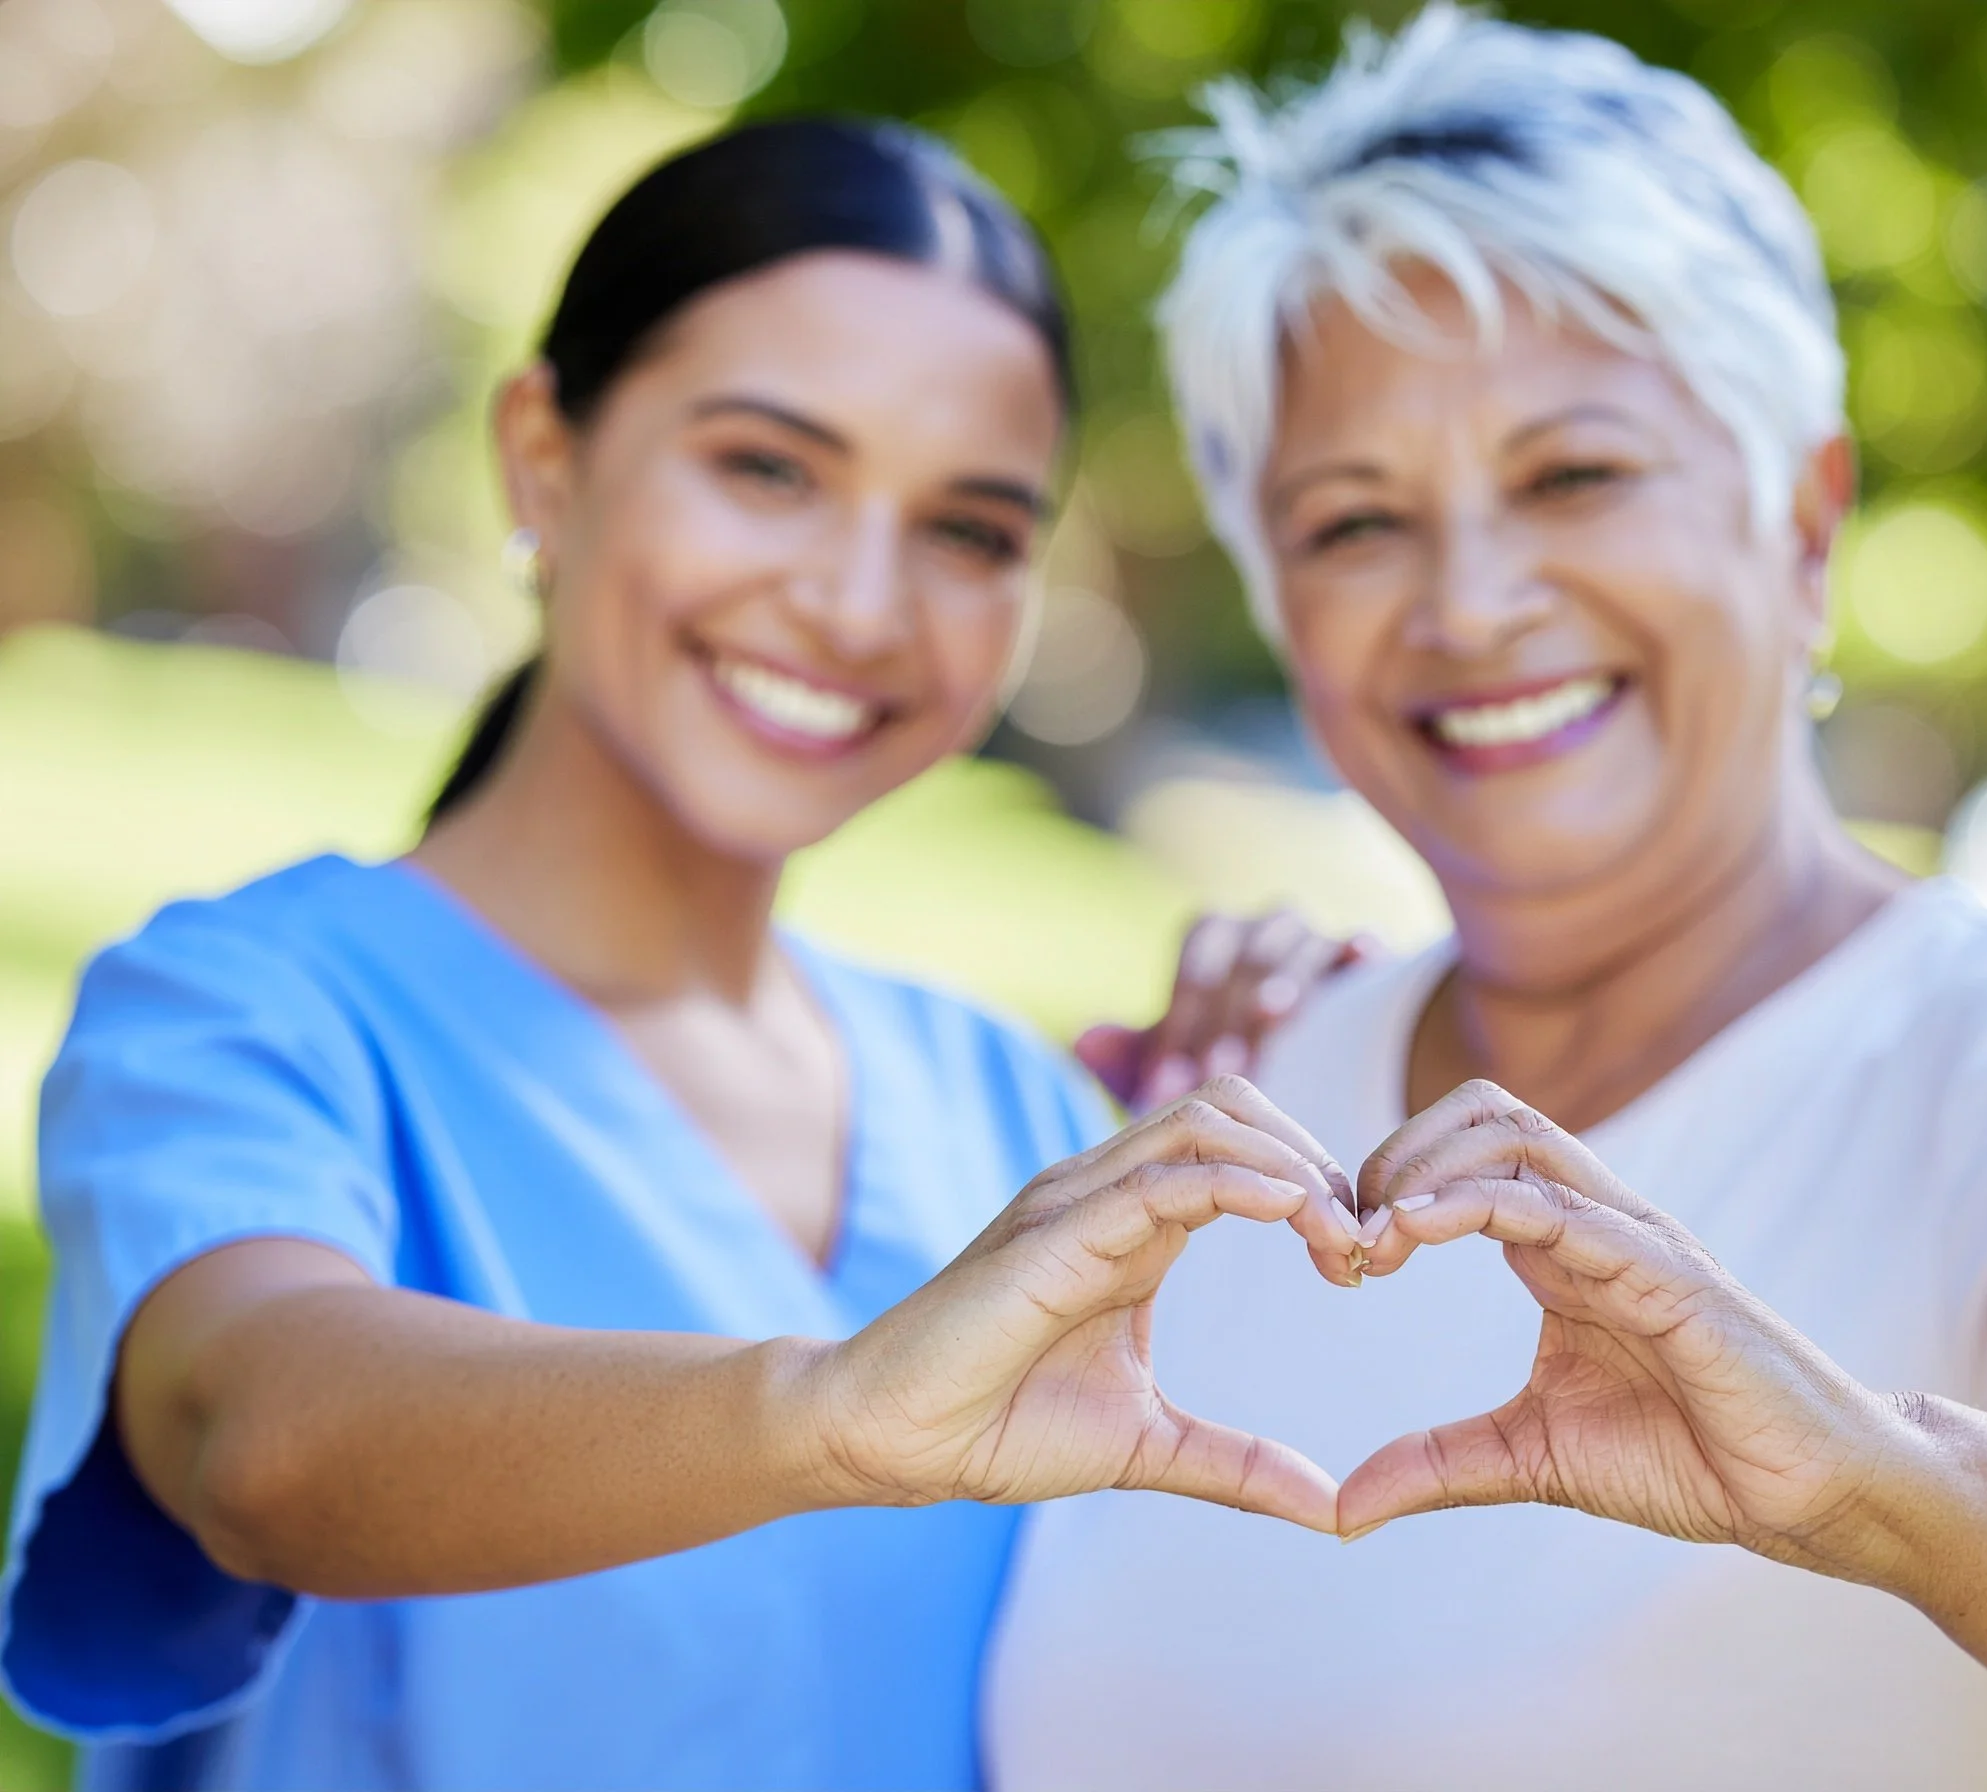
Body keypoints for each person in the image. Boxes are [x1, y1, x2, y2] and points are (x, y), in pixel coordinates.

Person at [986, 13, 1987, 1791]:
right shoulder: (1236, 1085)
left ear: (1806, 526)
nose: (1470, 600)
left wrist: (1867, 1476)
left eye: (1575, 476)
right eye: (1354, 521)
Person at [0, 117, 1365, 1792]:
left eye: (970, 530)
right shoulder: (245, 1013)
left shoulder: (1010, 1106)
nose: (861, 603)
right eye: (769, 468)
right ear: (542, 461)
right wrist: (833, 1411)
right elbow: (255, 1438)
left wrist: (1321, 1107)